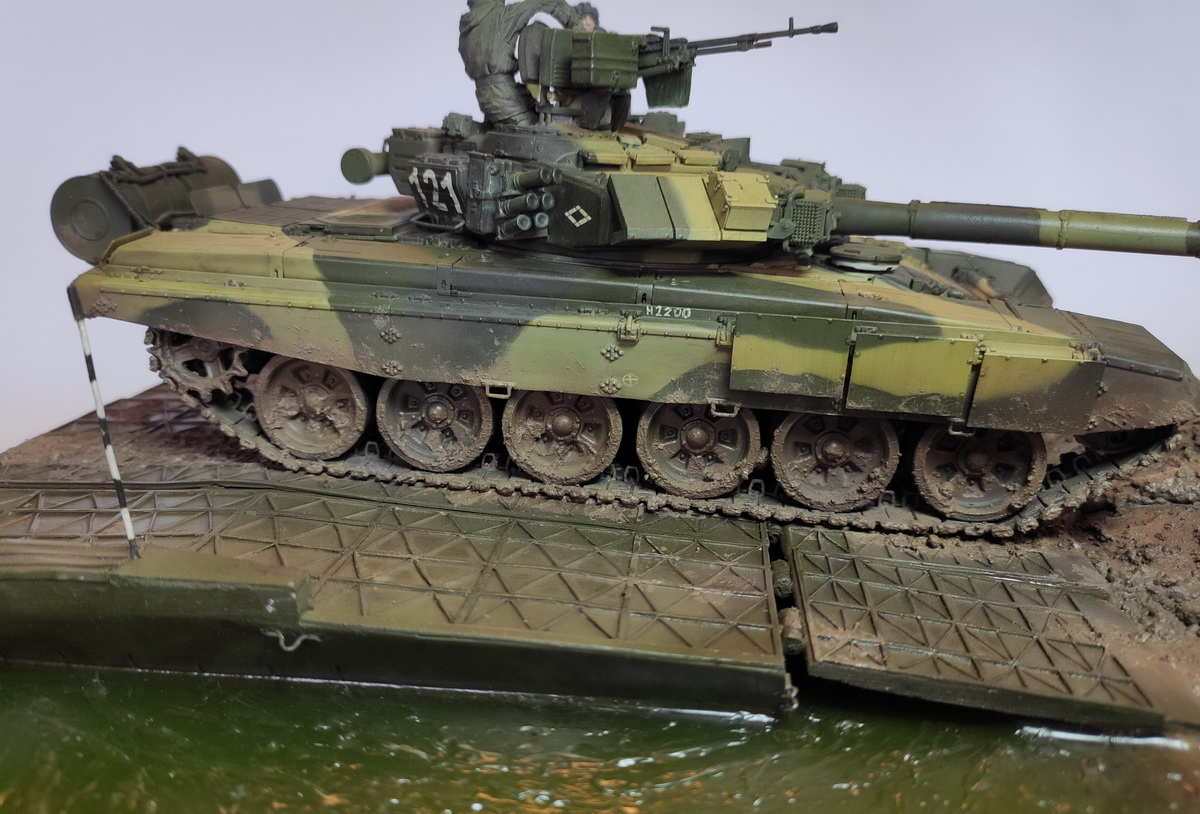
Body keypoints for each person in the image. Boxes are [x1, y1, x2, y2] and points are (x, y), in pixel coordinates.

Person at [459, 0, 583, 126]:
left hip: (485, 98)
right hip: (507, 99)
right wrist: (577, 26)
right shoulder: (503, 16)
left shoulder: (467, 29)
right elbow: (543, 2)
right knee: (543, 129)